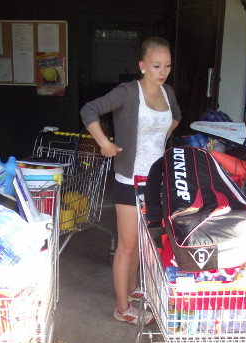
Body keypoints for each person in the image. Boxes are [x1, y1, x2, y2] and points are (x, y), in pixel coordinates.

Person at [81, 37, 181, 325]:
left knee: (142, 240)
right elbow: (89, 110)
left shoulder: (167, 92)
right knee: (126, 245)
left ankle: (134, 287)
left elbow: (176, 116)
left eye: (167, 66)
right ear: (142, 65)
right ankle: (122, 307)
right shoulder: (127, 92)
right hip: (129, 179)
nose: (163, 72)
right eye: (156, 65)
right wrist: (104, 143)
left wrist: (159, 139)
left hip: (156, 179)